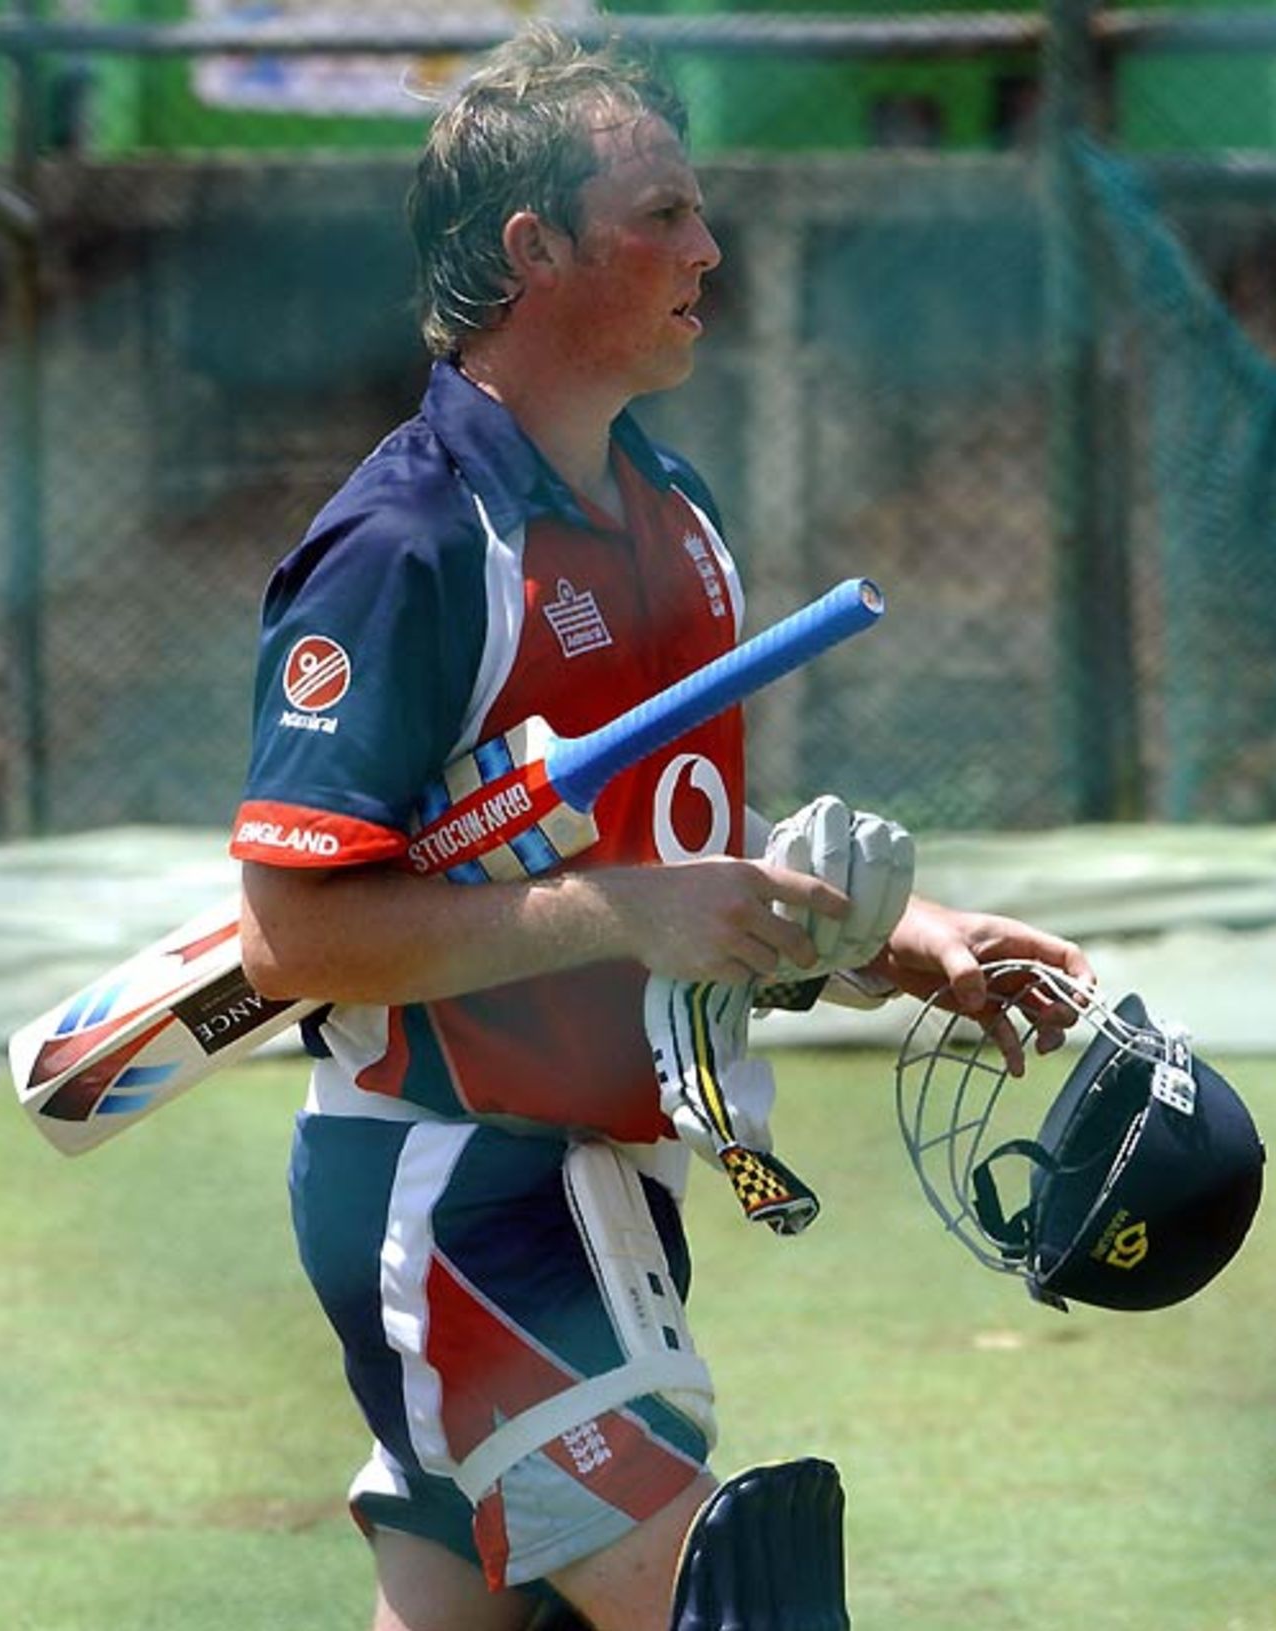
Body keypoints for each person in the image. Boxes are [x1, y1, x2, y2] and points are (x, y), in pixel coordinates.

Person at [231, 24, 1093, 1631]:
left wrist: (903, 943)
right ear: (533, 248)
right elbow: (297, 933)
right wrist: (625, 911)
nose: (709, 246)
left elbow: (674, 844)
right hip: (455, 1190)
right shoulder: (409, 545)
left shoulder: (674, 517)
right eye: (662, 214)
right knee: (740, 1607)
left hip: (611, 1191)